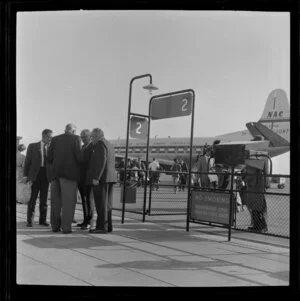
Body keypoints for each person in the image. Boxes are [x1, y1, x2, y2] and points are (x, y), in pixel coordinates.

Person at [47, 124, 81, 234]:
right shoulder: (76, 138)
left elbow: (49, 158)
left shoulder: (55, 139)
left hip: (55, 175)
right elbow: (79, 157)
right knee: (68, 203)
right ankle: (66, 228)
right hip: (69, 176)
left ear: (65, 129)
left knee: (55, 203)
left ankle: (55, 227)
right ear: (74, 131)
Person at [87, 128, 117, 234]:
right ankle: (108, 226)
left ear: (97, 136)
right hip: (110, 177)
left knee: (101, 204)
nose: (91, 139)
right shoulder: (109, 144)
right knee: (107, 204)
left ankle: (101, 227)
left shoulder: (100, 144)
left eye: (92, 137)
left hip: (102, 178)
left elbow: (101, 161)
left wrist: (96, 177)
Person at [23, 129, 53, 227]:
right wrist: (25, 175)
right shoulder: (32, 146)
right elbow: (27, 161)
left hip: (45, 175)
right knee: (33, 198)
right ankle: (29, 220)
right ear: (44, 135)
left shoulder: (51, 147)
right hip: (34, 175)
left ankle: (42, 220)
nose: (50, 138)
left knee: (44, 200)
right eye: (49, 136)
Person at [244, 160, 268, 233]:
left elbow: (248, 179)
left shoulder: (255, 172)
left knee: (258, 210)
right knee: (256, 210)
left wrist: (244, 176)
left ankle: (261, 227)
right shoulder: (258, 172)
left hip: (256, 194)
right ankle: (257, 226)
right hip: (255, 194)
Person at [77, 129, 94, 230]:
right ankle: (85, 220)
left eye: (85, 137)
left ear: (90, 137)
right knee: (83, 200)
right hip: (81, 178)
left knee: (89, 200)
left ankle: (90, 221)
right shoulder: (82, 147)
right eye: (82, 137)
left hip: (88, 178)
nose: (83, 139)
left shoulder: (93, 147)